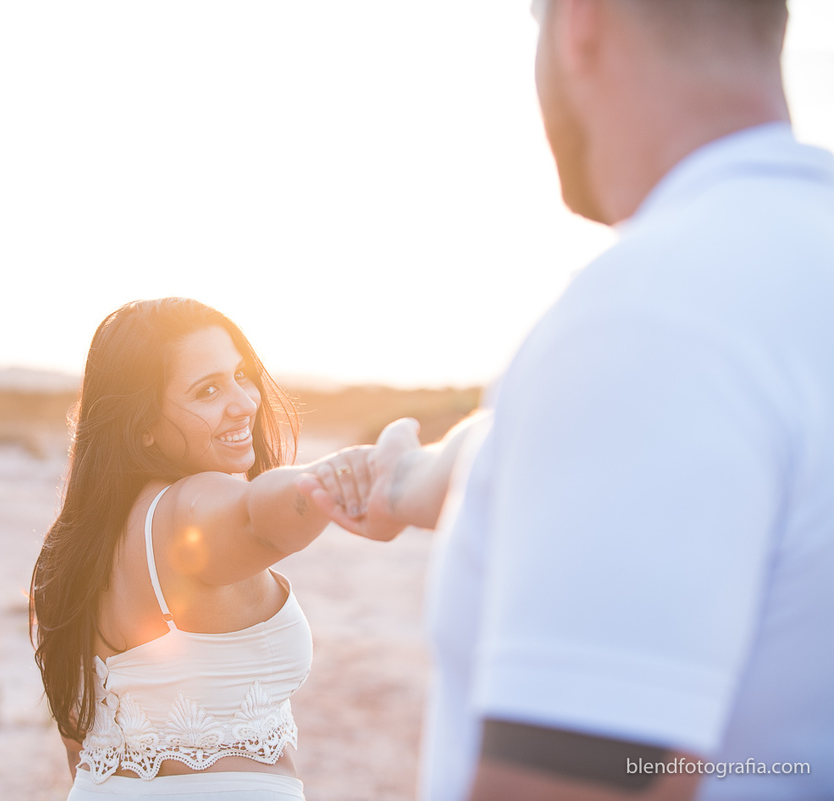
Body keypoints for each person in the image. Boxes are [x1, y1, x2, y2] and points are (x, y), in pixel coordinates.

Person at [306, 1, 834, 800]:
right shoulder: (783, 280)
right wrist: (413, 476)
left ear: (581, 24)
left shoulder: (650, 315)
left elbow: (586, 781)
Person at [30, 297, 402, 800]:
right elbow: (258, 519)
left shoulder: (73, 551)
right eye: (208, 390)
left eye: (241, 375)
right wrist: (341, 480)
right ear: (143, 424)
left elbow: (79, 749)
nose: (244, 402)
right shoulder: (189, 506)